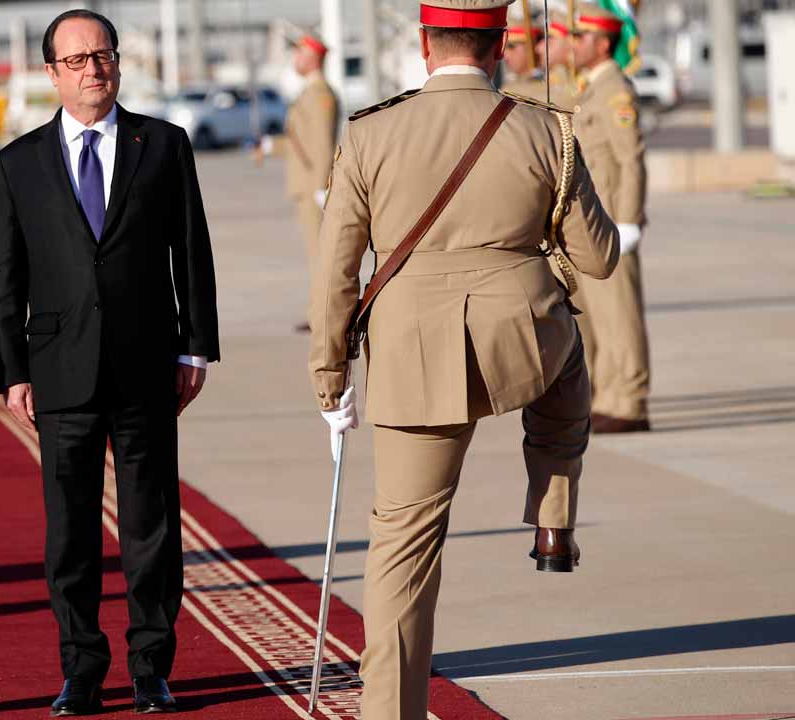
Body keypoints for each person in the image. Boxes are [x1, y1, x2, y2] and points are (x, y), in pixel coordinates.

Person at [307, 2, 618, 717]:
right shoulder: (546, 128)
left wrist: (330, 376)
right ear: (502, 45)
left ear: (425, 44)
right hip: (522, 341)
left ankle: (392, 711)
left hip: (413, 354)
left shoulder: (370, 131)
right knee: (567, 349)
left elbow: (334, 272)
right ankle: (553, 511)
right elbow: (599, 259)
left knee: (403, 543)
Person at [0, 8, 219, 716]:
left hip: (147, 363)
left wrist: (194, 345)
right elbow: (5, 273)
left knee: (152, 525)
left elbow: (191, 249)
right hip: (59, 368)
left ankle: (151, 667)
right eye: (78, 59)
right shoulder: (19, 162)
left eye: (104, 55)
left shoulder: (163, 144)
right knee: (71, 531)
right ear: (51, 73)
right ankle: (81, 669)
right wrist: (12, 370)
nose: (94, 69)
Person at [569, 2, 652, 433]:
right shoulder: (591, 90)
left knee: (620, 316)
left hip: (614, 224)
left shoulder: (615, 91)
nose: (573, 44)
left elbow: (630, 160)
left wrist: (630, 219)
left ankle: (630, 402)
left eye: (580, 37)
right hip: (595, 225)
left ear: (603, 43)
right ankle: (608, 397)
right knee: (600, 317)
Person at [284, 34, 339, 332]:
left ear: (313, 58)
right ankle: (320, 311)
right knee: (315, 253)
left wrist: (321, 186)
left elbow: (322, 144)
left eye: (299, 54)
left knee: (321, 255)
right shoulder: (308, 92)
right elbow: (299, 140)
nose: (295, 60)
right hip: (305, 187)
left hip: (313, 187)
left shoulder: (320, 95)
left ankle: (325, 315)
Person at [499, 22, 545, 99]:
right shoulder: (509, 87)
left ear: (530, 47)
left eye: (511, 47)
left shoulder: (549, 84)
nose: (505, 55)